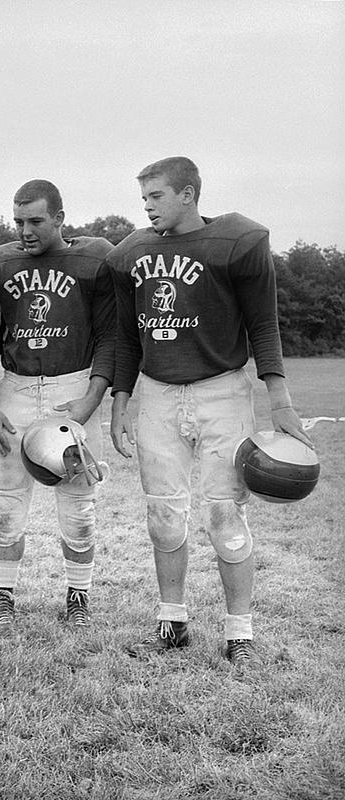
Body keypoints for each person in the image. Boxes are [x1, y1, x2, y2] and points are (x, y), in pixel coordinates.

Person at [107, 156, 313, 670]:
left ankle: (239, 631)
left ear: (188, 194)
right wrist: (120, 401)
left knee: (226, 515)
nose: (147, 206)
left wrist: (279, 399)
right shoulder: (132, 253)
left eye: (156, 196)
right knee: (163, 516)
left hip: (222, 391)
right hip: (156, 392)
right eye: (143, 198)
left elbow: (264, 325)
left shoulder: (237, 242)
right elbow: (127, 338)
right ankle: (172, 623)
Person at [0, 180, 115, 632]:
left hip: (68, 385)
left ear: (59, 217)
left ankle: (77, 595)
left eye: (35, 221)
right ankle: (3, 594)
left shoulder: (93, 258)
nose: (26, 231)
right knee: (7, 499)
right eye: (18, 222)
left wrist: (93, 397)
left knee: (78, 501)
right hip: (14, 386)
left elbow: (112, 335)